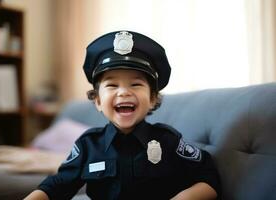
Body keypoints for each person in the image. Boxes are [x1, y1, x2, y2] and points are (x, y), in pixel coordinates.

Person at [24, 31, 221, 200]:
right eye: (112, 85)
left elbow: (209, 178)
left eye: (135, 84)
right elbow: (57, 186)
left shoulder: (167, 141)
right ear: (98, 101)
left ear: (152, 99)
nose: (123, 92)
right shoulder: (88, 145)